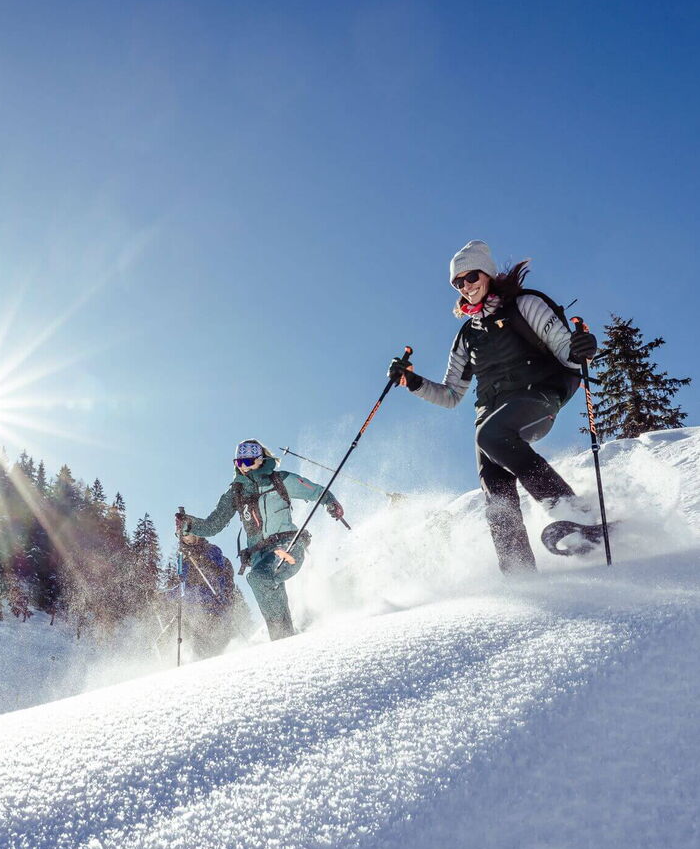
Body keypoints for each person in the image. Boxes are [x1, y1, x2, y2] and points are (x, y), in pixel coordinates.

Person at [388, 241, 598, 574]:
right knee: (495, 493)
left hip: (537, 397)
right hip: (491, 418)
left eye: (471, 276)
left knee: (491, 436)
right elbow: (451, 394)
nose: (466, 286)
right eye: (458, 283)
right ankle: (518, 574)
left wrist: (583, 349)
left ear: (487, 273)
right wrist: (412, 382)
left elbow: (567, 352)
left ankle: (574, 513)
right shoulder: (465, 337)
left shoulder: (525, 305)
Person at [177, 439, 344, 640]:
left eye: (248, 462)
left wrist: (330, 503)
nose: (243, 467)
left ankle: (281, 637)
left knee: (258, 578)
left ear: (260, 460)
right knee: (263, 579)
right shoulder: (235, 493)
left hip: (288, 547)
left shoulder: (280, 480)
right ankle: (286, 640)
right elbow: (213, 525)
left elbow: (317, 491)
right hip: (260, 557)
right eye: (239, 463)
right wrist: (188, 525)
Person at [176, 531, 237, 659]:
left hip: (215, 604)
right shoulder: (183, 559)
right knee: (199, 645)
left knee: (214, 644)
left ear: (196, 533)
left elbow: (219, 575)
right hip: (197, 611)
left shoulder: (212, 550)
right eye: (179, 535)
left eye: (186, 533)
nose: (184, 537)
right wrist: (162, 595)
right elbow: (183, 586)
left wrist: (200, 560)